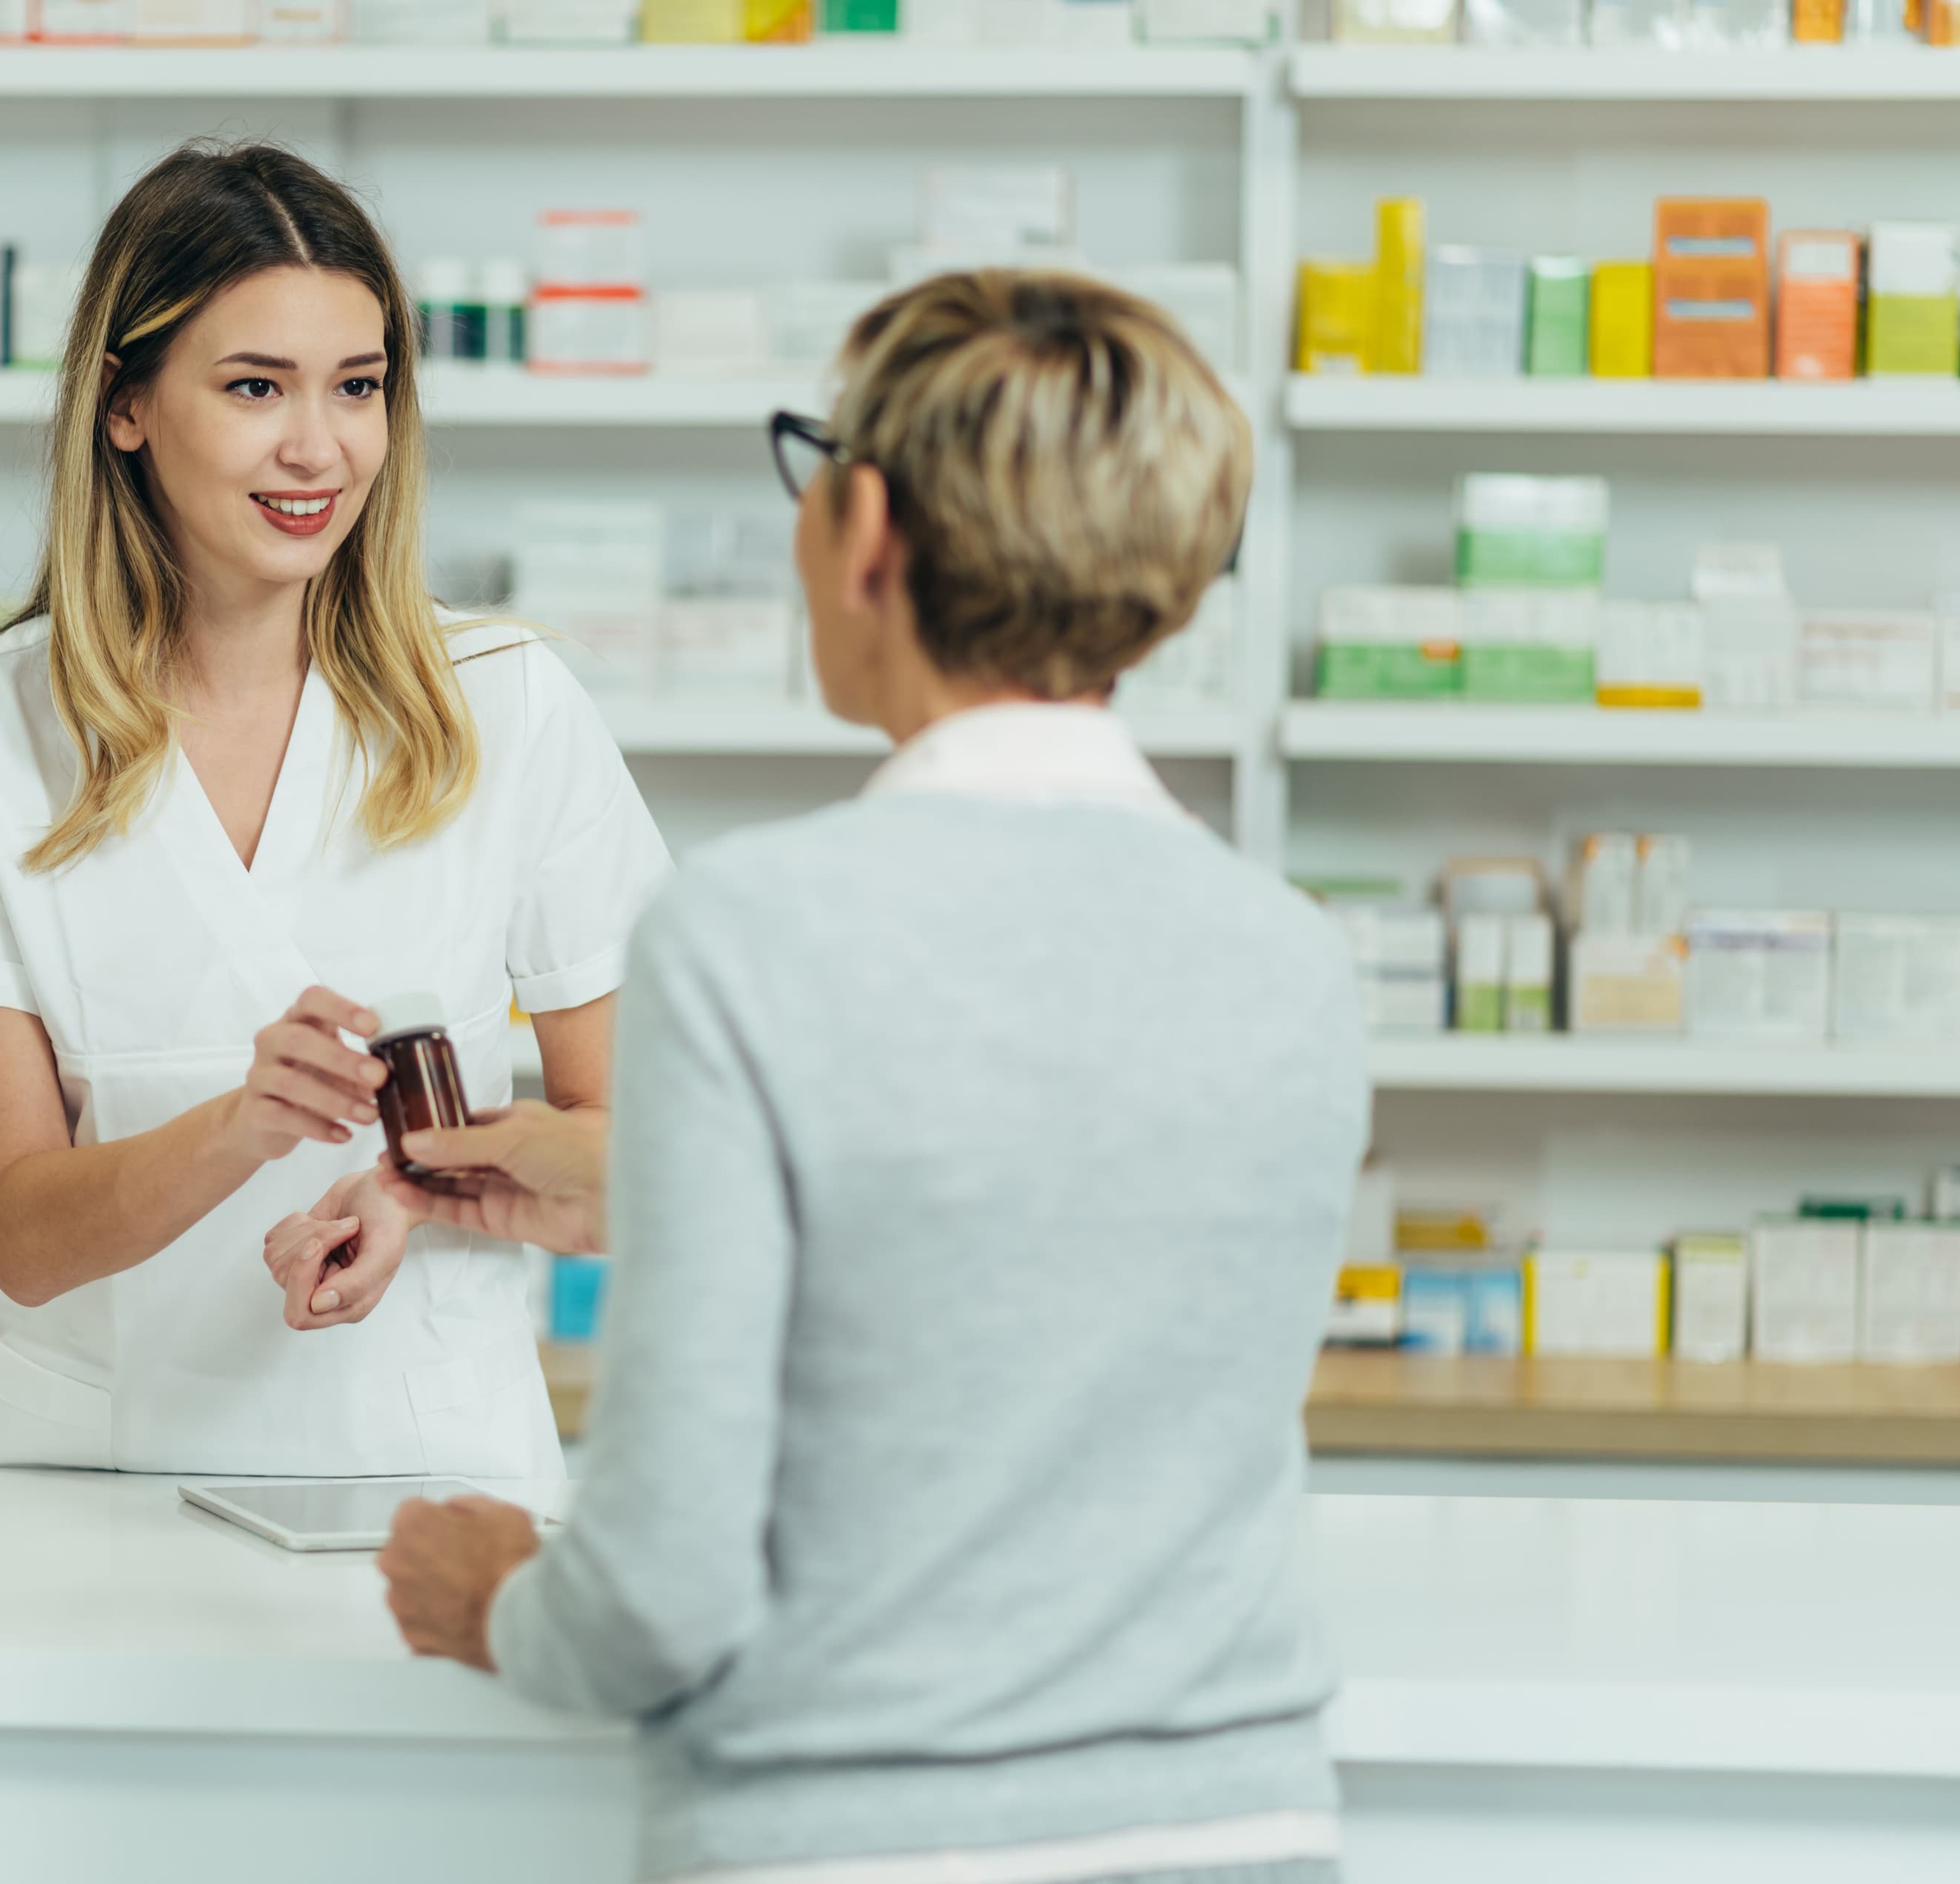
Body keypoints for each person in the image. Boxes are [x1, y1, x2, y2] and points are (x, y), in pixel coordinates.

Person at [376, 271, 1369, 1884]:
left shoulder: (755, 937)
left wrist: (493, 1599)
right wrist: (638, 1173)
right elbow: (1024, 1259)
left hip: (857, 1843)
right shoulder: (1291, 958)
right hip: (1238, 1834)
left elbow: (659, 1595)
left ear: (867, 534)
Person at [0, 140, 669, 1478]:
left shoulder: (507, 705)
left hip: (422, 1459)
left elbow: (648, 1150)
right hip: (79, 1483)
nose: (320, 448)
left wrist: (432, 1193)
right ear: (124, 403)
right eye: (256, 387)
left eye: (358, 388)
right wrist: (246, 1125)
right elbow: (20, 1227)